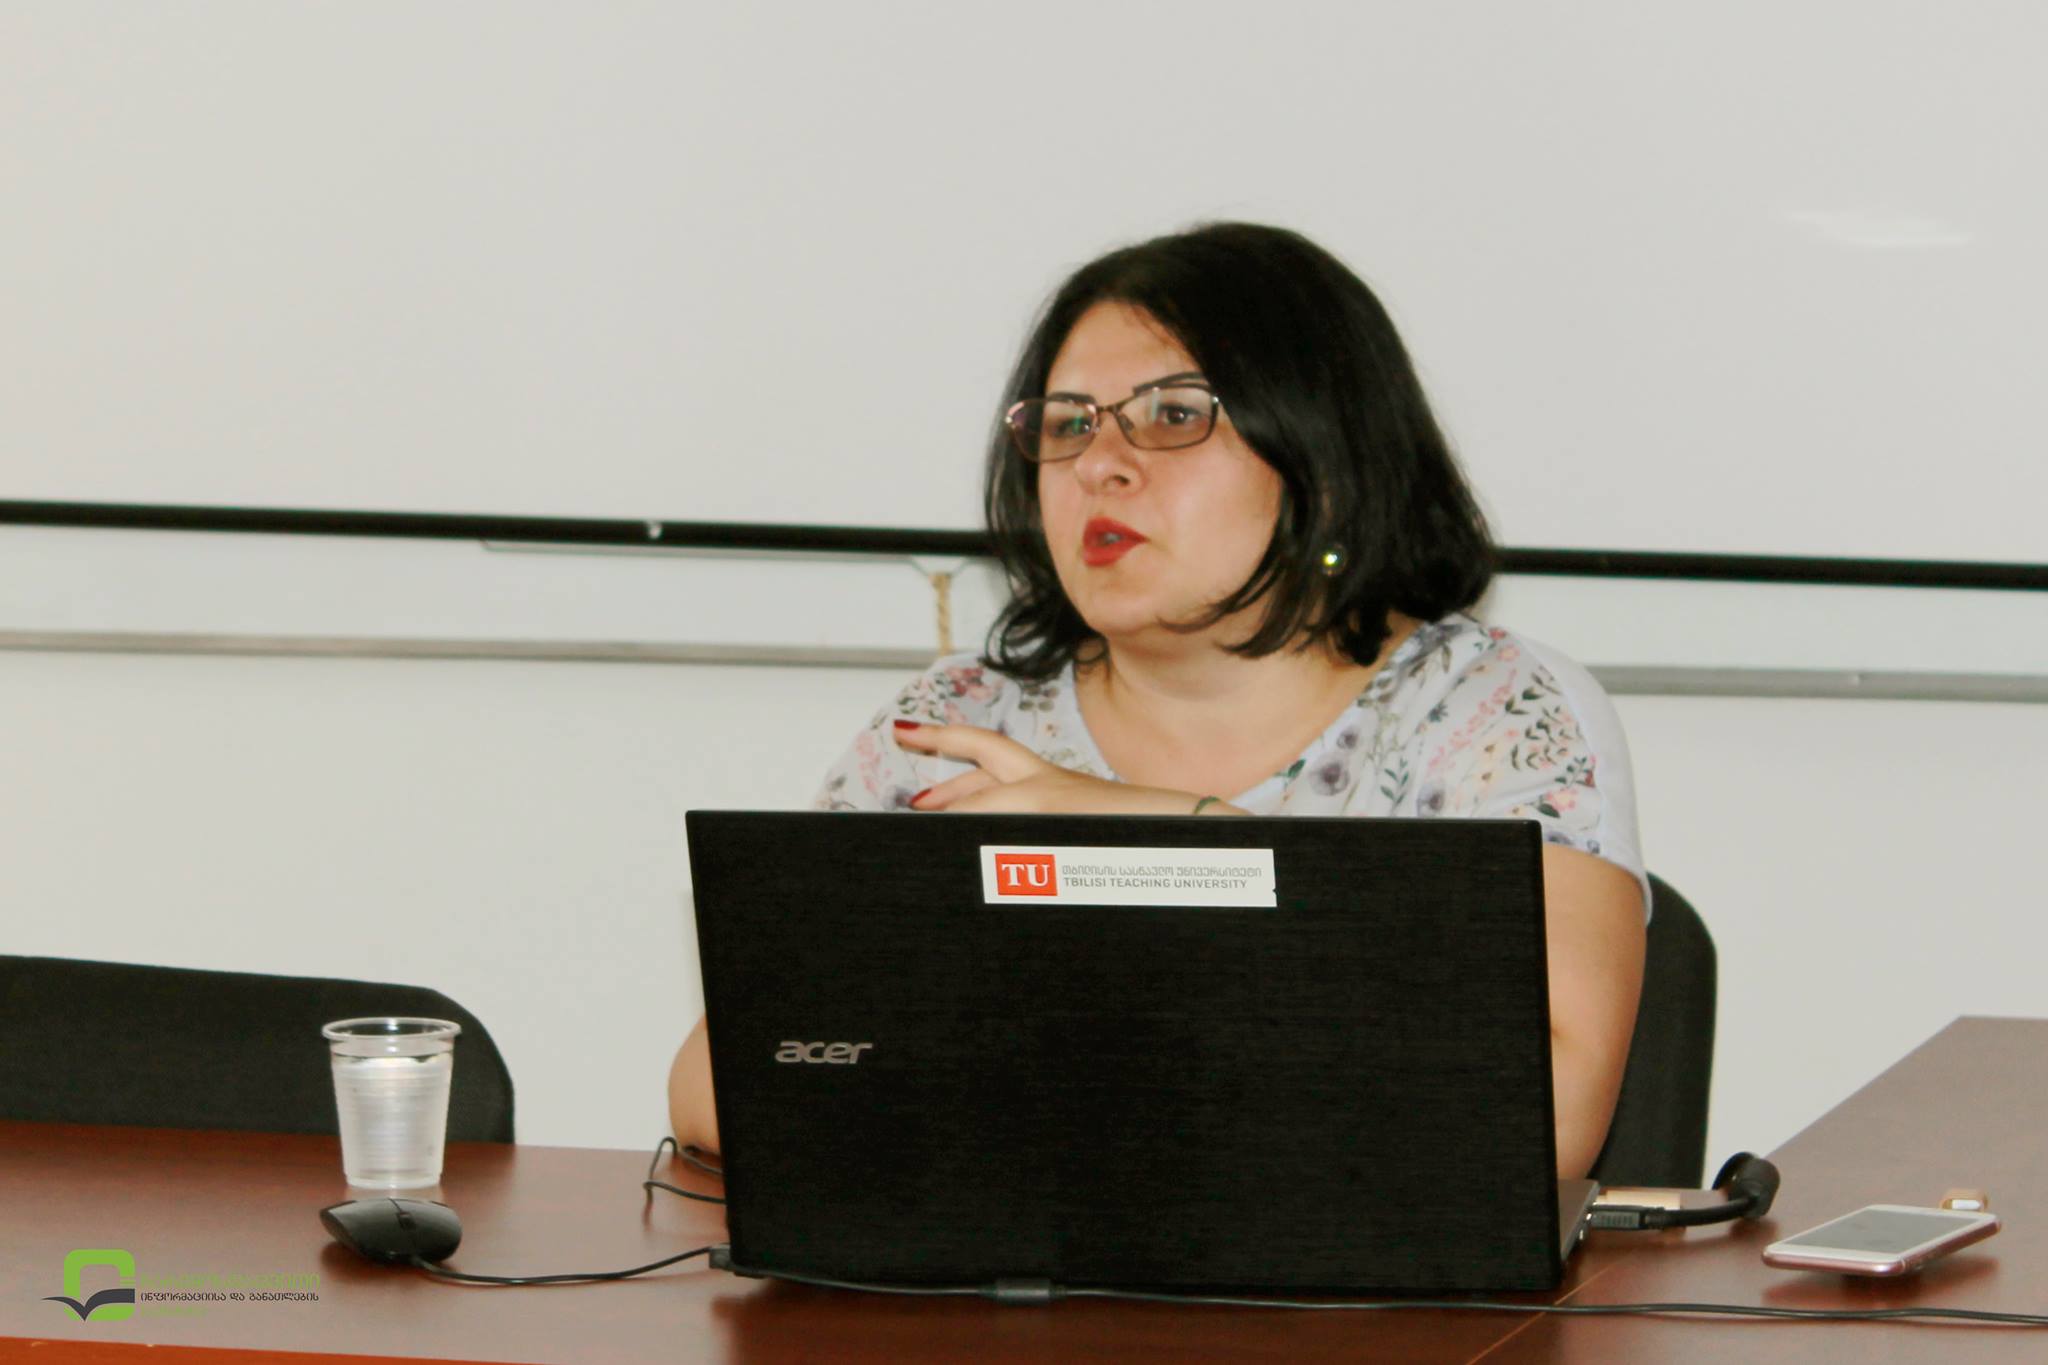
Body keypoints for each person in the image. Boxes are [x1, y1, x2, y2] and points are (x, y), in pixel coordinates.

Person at [669, 222, 1647, 1178]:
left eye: (1174, 415)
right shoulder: (957, 725)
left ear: (1326, 456)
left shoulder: (1487, 711)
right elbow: (722, 1089)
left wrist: (1152, 833)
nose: (1099, 463)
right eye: (1067, 424)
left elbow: (1541, 1115)